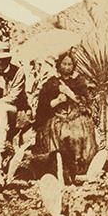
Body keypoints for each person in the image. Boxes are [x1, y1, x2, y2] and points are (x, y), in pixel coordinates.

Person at [33, 52, 97, 181]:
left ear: (73, 66)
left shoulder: (79, 81)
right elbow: (43, 105)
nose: (67, 67)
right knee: (60, 135)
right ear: (59, 65)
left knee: (79, 135)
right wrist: (57, 101)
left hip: (76, 116)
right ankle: (61, 170)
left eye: (70, 64)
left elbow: (85, 101)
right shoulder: (51, 83)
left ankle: (80, 169)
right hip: (57, 117)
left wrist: (69, 93)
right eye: (64, 64)